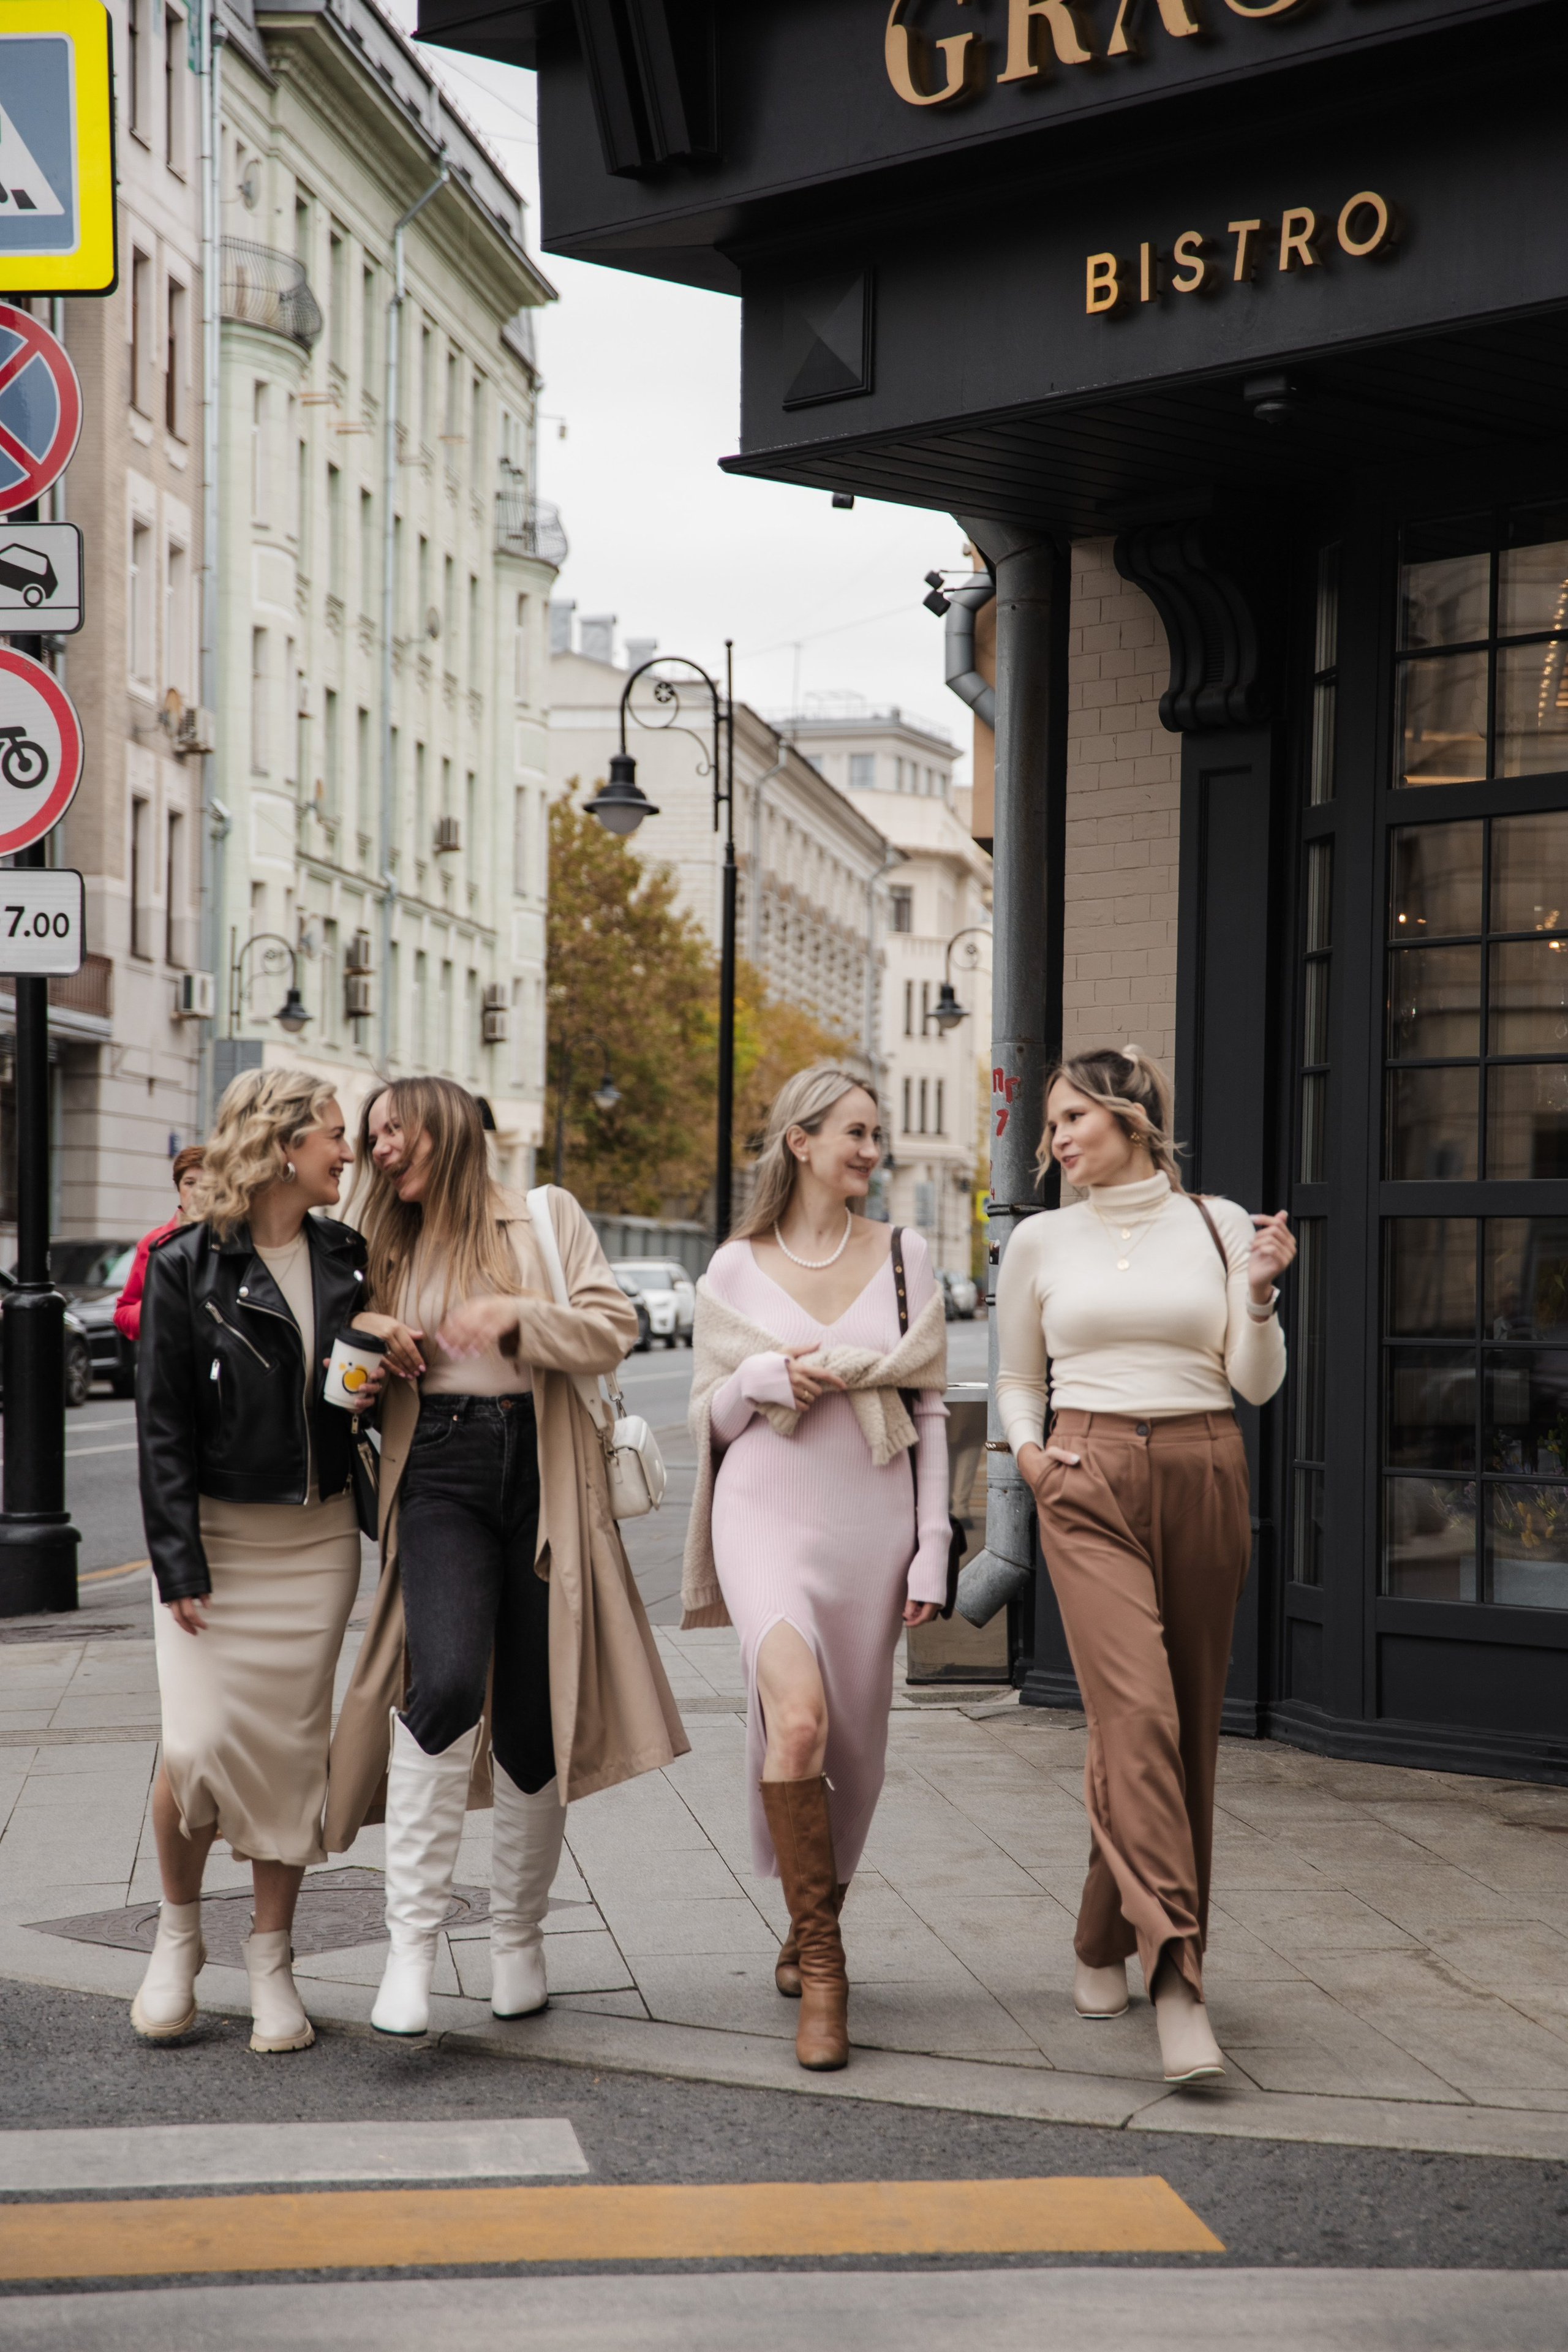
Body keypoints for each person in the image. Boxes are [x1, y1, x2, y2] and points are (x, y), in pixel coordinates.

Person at [325, 1077, 688, 2037]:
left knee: (535, 1712)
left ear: (442, 1127)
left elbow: (616, 1326)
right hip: (438, 1467)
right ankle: (409, 1948)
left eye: (392, 1129)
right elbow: (339, 1354)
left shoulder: (542, 1216)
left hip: (545, 1466)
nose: (379, 1148)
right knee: (441, 1682)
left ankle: (518, 1942)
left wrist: (516, 1319)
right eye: (369, 1136)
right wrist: (364, 1335)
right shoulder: (375, 1240)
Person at [995, 1046, 1294, 2085]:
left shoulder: (1217, 1223)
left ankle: (1099, 1935)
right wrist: (1034, 1461)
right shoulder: (1039, 1240)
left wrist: (1256, 1297)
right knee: (1138, 1719)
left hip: (1207, 1464)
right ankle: (1179, 1980)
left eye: (1075, 1117)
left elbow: (1253, 1383)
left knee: (1186, 1729)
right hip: (1086, 1473)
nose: (1057, 1139)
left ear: (1132, 1117)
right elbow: (1015, 1374)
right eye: (1052, 1123)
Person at [683, 1066, 951, 2073]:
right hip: (764, 1513)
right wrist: (757, 1376)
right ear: (799, 1142)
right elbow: (711, 1416)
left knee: (862, 1755)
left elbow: (925, 1407)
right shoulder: (735, 1266)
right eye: (855, 1132)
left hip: (873, 1520)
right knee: (798, 1719)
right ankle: (828, 1975)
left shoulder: (904, 1257)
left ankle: (809, 1917)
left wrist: (933, 1541)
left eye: (878, 1134)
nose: (872, 1150)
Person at [132, 1071, 369, 2054]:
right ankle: (177, 1935)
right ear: (283, 1147)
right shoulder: (189, 1265)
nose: (346, 1151)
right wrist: (177, 1560)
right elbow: (162, 1429)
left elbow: (346, 1401)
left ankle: (272, 1959)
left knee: (287, 1761)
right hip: (217, 1546)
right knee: (193, 1746)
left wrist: (376, 1358)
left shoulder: (348, 1256)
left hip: (316, 1542)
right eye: (333, 1134)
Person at [113, 1147, 205, 1343]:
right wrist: (153, 1311)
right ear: (179, 1188)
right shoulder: (155, 1243)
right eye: (190, 1183)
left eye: (208, 1184)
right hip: (168, 1360)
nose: (198, 1192)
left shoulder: (236, 1241)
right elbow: (123, 1312)